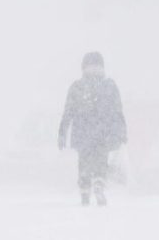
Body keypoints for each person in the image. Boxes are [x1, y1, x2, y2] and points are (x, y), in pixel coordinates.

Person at [58, 51, 127, 206]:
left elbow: (68, 112)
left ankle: (84, 186)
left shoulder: (77, 87)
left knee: (83, 160)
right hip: (103, 131)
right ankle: (98, 182)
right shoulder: (109, 85)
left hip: (82, 132)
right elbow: (117, 110)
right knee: (101, 159)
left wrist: (62, 133)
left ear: (83, 67)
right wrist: (122, 131)